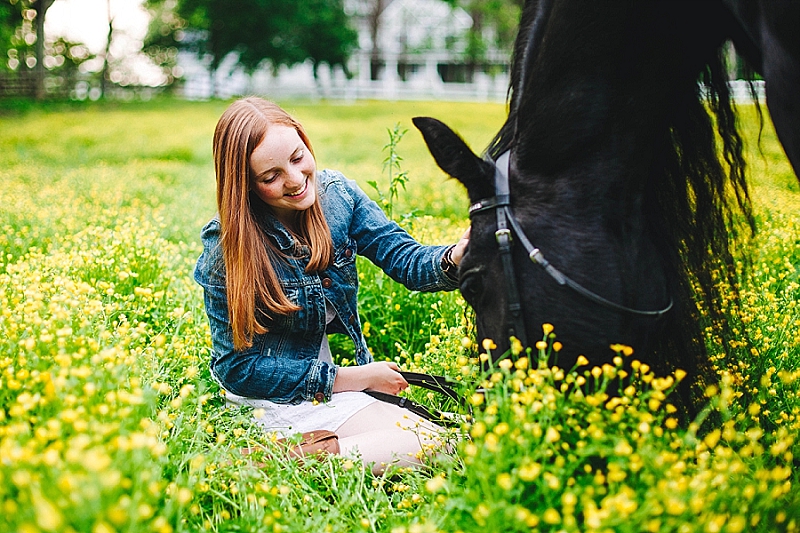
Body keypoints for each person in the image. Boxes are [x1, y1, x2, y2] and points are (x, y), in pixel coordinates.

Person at [194, 97, 469, 473]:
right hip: (271, 399)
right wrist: (353, 378)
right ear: (245, 185)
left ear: (306, 143)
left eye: (297, 157)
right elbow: (237, 368)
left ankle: (302, 455)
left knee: (454, 440)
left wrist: (457, 255)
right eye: (270, 176)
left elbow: (406, 260)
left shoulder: (337, 197)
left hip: (330, 392)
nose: (294, 180)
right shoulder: (227, 244)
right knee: (436, 446)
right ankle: (273, 464)